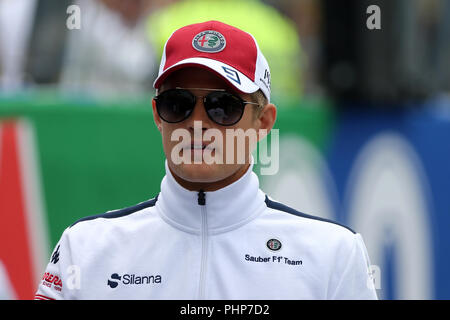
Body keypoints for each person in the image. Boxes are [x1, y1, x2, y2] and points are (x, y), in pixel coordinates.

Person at [34, 20, 377, 300]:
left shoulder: (333, 254)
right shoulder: (86, 248)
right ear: (157, 114)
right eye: (177, 103)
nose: (197, 123)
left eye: (223, 106)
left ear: (263, 122)